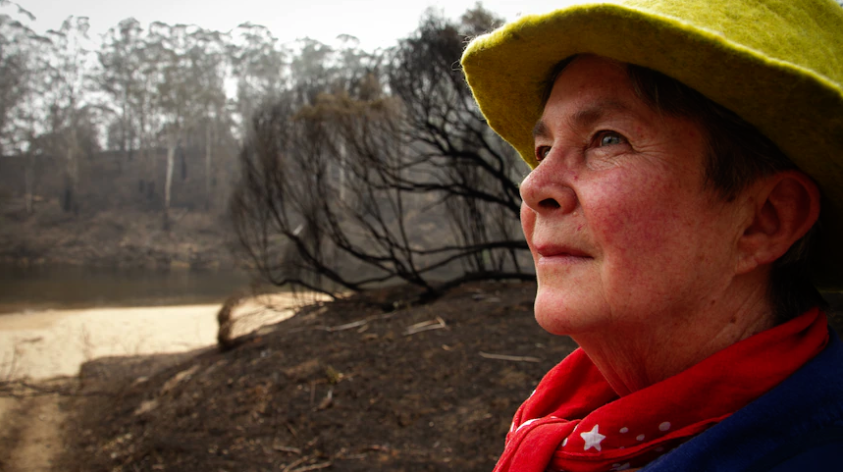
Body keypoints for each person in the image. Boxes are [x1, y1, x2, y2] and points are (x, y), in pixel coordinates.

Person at [460, 0, 843, 470]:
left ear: (765, 220)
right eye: (543, 150)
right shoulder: (574, 420)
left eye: (607, 139)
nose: (533, 186)